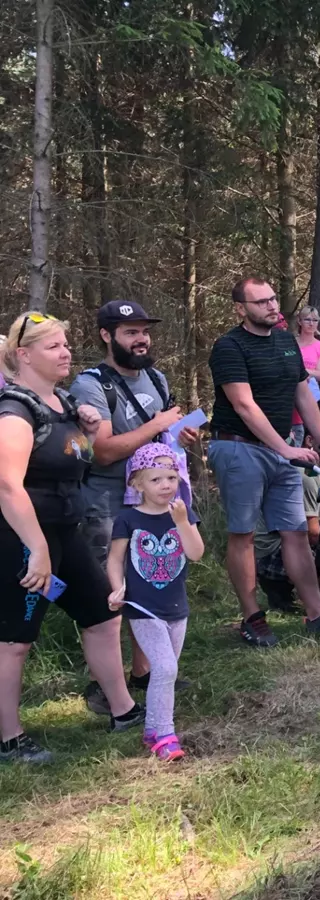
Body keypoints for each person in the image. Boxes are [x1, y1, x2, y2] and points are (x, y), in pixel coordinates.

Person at [0, 313, 144, 764]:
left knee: (102, 614)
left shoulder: (59, 403)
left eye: (65, 344)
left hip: (65, 531)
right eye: (53, 347)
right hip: (22, 538)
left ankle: (123, 710)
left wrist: (81, 424)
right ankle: (8, 738)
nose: (65, 352)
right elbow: (8, 485)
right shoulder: (15, 411)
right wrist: (37, 550)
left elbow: (67, 458)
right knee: (14, 639)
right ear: (23, 355)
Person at [70, 300, 199, 715]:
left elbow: (160, 436)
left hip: (152, 501)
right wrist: (157, 426)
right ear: (107, 336)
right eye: (129, 331)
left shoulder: (156, 378)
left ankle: (144, 674)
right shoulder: (92, 384)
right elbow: (104, 451)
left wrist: (178, 435)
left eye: (144, 330)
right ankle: (102, 687)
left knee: (150, 585)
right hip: (106, 502)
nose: (141, 338)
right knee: (110, 594)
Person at [208, 276, 320, 647]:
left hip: (281, 450)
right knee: (244, 534)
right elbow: (243, 405)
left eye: (272, 299)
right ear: (241, 309)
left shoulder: (286, 341)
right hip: (238, 447)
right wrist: (284, 449)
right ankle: (253, 616)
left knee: (296, 532)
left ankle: (318, 613)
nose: (272, 306)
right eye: (261, 302)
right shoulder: (229, 347)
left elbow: (302, 394)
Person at [106, 443, 204, 762]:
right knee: (164, 667)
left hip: (177, 607)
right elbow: (115, 559)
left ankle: (151, 729)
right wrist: (117, 587)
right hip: (143, 607)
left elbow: (196, 553)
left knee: (167, 672)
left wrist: (181, 523)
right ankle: (165, 735)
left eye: (171, 478)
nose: (165, 485)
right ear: (137, 484)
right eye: (156, 479)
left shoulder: (182, 513)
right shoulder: (128, 519)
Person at [255, 413, 320, 613]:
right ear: (310, 440)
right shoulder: (306, 475)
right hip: (271, 551)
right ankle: (285, 590)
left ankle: (314, 588)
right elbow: (312, 533)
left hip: (293, 540)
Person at [289, 306, 320, 447]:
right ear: (299, 321)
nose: (311, 323)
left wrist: (300, 371)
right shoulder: (289, 342)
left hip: (308, 400)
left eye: (315, 320)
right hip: (286, 397)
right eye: (307, 319)